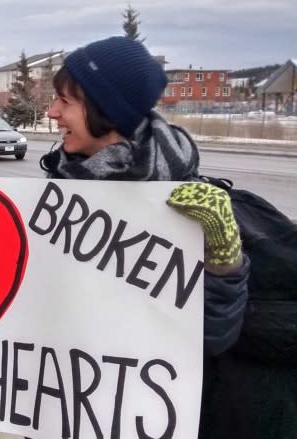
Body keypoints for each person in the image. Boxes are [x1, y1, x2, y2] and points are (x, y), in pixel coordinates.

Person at [40, 36, 250, 438]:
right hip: (65, 413)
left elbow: (213, 338)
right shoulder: (60, 187)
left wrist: (223, 258)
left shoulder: (182, 201)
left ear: (107, 112)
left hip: (145, 419)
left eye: (64, 102)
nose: (51, 112)